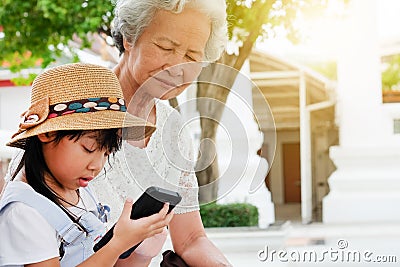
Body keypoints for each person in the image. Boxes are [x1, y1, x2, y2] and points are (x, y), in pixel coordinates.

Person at [91, 0, 232, 266]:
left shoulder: (173, 129)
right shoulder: (76, 109)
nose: (176, 67)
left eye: (191, 57)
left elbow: (190, 238)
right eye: (166, 47)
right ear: (130, 37)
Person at [0, 63, 174, 266]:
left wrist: (140, 252)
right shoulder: (24, 212)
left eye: (106, 153)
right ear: (47, 134)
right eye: (89, 149)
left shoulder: (81, 191)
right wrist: (117, 244)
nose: (97, 165)